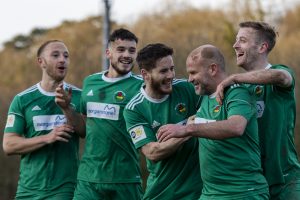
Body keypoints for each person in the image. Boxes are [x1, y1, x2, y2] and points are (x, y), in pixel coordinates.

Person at [157, 44, 269, 199]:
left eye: (193, 72)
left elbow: (236, 127)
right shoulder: (203, 98)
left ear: (212, 69)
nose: (189, 79)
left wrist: (187, 129)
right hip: (210, 193)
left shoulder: (237, 92)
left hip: (243, 192)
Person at [215, 21, 300, 199]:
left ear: (262, 47)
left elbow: (280, 77)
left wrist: (235, 77)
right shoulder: (238, 89)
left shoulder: (280, 72)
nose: (235, 45)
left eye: (243, 40)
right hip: (250, 184)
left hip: (285, 181)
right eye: (236, 40)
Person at [55, 28, 143, 200]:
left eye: (132, 51)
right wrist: (66, 108)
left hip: (126, 179)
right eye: (121, 49)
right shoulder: (90, 82)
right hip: (89, 179)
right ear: (108, 53)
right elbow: (83, 129)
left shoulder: (142, 87)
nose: (127, 55)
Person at [3, 40, 82, 199]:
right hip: (27, 190)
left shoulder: (79, 96)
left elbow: (86, 131)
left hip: (65, 189)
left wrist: (68, 108)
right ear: (41, 62)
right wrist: (48, 137)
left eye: (66, 56)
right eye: (55, 55)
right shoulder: (22, 99)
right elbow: (9, 145)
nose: (62, 59)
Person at [123, 43, 202, 200]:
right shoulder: (134, 109)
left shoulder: (187, 88)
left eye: (172, 68)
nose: (171, 75)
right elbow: (153, 152)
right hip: (161, 191)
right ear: (145, 74)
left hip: (197, 190)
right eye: (164, 71)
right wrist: (188, 130)